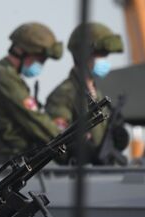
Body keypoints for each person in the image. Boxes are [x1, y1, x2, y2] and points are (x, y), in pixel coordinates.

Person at [0, 22, 64, 164]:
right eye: (40, 59)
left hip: (18, 163)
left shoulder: (10, 77)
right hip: (11, 165)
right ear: (24, 52)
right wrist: (67, 141)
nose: (41, 64)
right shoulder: (4, 78)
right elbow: (34, 119)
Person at [45, 22, 124, 164]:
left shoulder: (97, 93)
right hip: (76, 175)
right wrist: (77, 147)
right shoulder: (64, 94)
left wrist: (119, 137)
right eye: (100, 54)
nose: (104, 60)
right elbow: (56, 136)